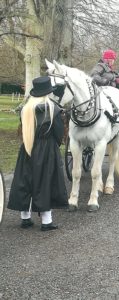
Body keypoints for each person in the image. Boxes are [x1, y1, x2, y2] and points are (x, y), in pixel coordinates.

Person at [7, 76, 68, 231]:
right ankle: (46, 222)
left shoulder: (25, 109)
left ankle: (25, 219)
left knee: (25, 180)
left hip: (27, 147)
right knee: (46, 182)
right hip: (47, 149)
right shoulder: (53, 109)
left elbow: (22, 130)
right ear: (48, 92)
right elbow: (59, 133)